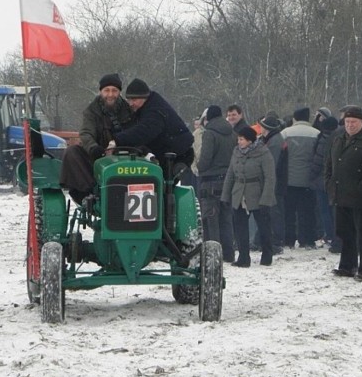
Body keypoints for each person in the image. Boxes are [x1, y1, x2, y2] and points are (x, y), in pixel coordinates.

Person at [59, 73, 133, 203]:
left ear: (119, 92)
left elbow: (137, 131)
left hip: (127, 155)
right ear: (100, 91)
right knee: (72, 152)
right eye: (107, 90)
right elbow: (86, 132)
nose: (110, 94)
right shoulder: (91, 111)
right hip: (99, 156)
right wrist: (93, 148)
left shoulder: (129, 110)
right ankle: (91, 193)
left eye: (114, 91)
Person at [325, 106, 362, 281]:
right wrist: (329, 182)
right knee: (344, 232)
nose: (350, 125)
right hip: (340, 193)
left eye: (353, 122)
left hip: (360, 196)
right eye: (347, 122)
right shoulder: (338, 138)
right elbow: (330, 163)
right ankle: (347, 266)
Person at [112, 79, 194, 174]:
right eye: (129, 100)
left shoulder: (155, 111)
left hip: (177, 156)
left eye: (134, 100)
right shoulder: (145, 107)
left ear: (144, 97)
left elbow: (144, 131)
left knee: (161, 184)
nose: (131, 104)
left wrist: (118, 140)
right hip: (166, 152)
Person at [221, 126, 276, 267]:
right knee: (240, 228)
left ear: (250, 141)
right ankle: (243, 257)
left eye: (241, 139)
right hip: (239, 194)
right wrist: (225, 196)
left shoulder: (263, 153)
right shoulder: (236, 152)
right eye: (238, 139)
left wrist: (266, 199)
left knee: (264, 227)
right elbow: (230, 174)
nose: (239, 142)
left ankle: (267, 255)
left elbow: (270, 177)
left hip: (257, 194)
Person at [196, 105, 236, 262]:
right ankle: (229, 253)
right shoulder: (233, 133)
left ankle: (214, 255)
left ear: (209, 118)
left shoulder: (210, 134)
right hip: (228, 179)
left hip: (210, 181)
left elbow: (205, 159)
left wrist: (199, 168)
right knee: (226, 218)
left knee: (211, 218)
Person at [280, 107, 319, 249]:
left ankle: (289, 239)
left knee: (289, 212)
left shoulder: (285, 133)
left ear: (294, 118)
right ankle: (307, 239)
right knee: (308, 212)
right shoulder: (316, 134)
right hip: (309, 180)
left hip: (289, 180)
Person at [309, 114, 341, 252]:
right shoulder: (340, 138)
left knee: (325, 211)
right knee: (335, 211)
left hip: (321, 181)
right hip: (335, 181)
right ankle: (337, 237)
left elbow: (318, 160)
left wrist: (311, 176)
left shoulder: (323, 139)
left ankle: (331, 237)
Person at [259, 114, 286, 254]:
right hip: (274, 180)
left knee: (274, 211)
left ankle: (276, 241)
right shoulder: (270, 139)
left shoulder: (274, 141)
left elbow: (271, 163)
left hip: (274, 181)